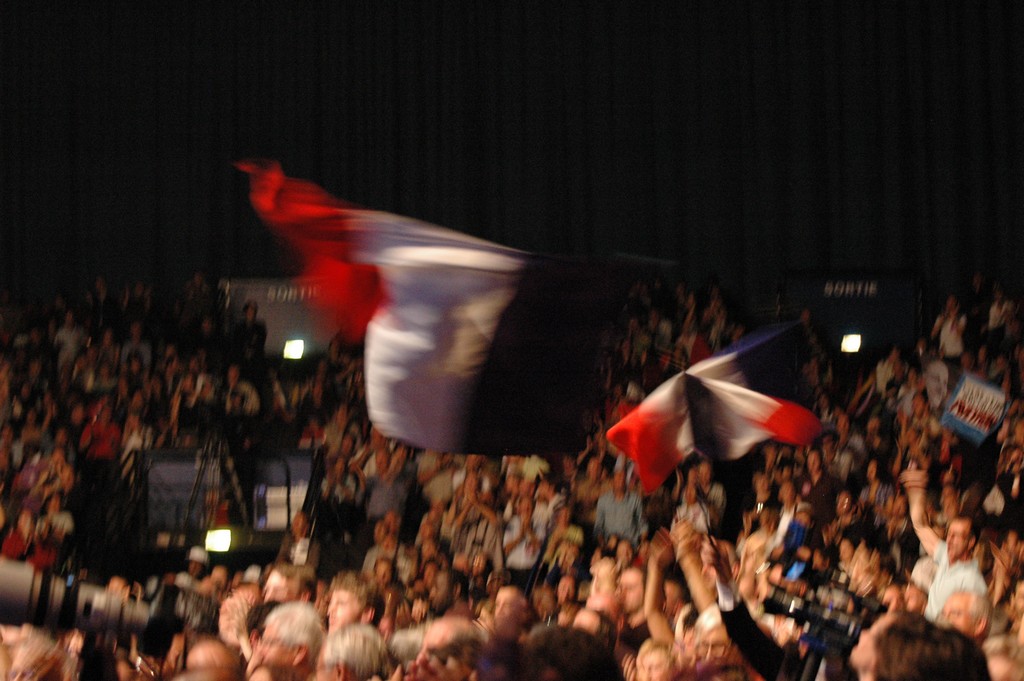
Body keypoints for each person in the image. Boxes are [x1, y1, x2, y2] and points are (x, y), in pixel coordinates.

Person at [901, 469, 988, 620]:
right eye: (949, 534)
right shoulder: (945, 556)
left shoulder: (972, 580)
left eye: (956, 536)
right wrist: (916, 495)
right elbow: (920, 526)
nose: (949, 539)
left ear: (970, 542)